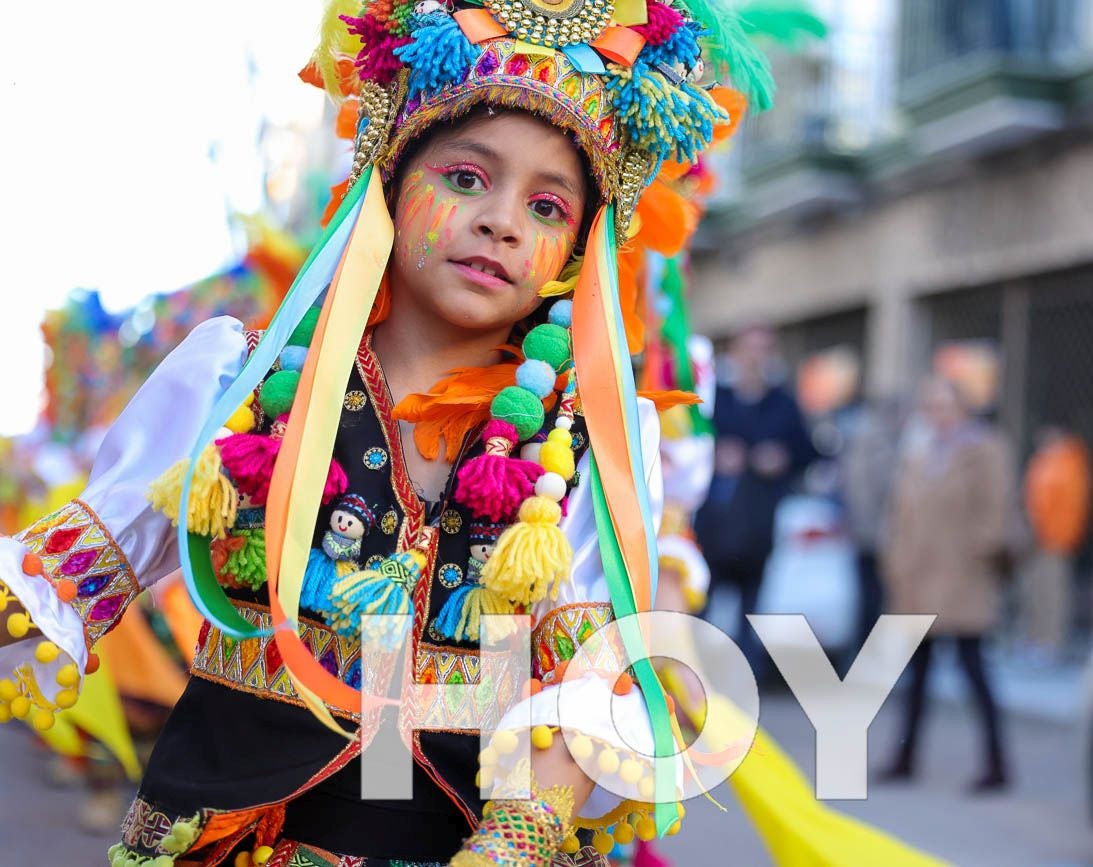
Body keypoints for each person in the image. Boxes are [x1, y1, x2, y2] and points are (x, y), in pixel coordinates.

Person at [0, 2, 762, 863]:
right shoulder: (241, 383)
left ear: (582, 245)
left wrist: (516, 841)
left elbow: (584, 678)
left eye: (548, 207)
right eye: (467, 179)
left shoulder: (583, 445)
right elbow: (61, 570)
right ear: (389, 178)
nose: (504, 221)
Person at [880, 375, 1014, 793]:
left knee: (974, 671)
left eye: (945, 405)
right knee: (917, 675)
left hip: (963, 580)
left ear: (963, 408)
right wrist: (897, 562)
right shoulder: (920, 452)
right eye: (931, 406)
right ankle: (905, 757)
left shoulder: (986, 449)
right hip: (920, 581)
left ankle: (996, 763)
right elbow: (901, 513)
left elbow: (998, 511)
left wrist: (981, 551)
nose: (938, 414)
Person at [694, 326, 815, 683]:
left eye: (763, 349)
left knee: (752, 612)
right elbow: (686, 439)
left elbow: (807, 452)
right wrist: (714, 454)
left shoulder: (782, 402)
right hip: (714, 523)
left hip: (757, 524)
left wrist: (782, 459)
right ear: (735, 350)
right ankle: (693, 678)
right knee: (701, 604)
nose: (755, 357)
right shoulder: (716, 396)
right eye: (749, 349)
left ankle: (744, 683)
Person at [837, 395, 903, 674]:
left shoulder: (866, 441)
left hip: (870, 534)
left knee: (871, 599)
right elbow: (874, 490)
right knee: (874, 601)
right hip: (876, 536)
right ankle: (872, 660)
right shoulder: (878, 444)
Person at [1021, 424, 1092, 663]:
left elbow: (1069, 507)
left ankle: (1050, 643)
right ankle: (1036, 639)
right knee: (1036, 593)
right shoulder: (1045, 462)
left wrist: (1058, 535)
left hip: (1054, 540)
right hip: (1038, 539)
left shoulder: (1069, 465)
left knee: (1053, 594)